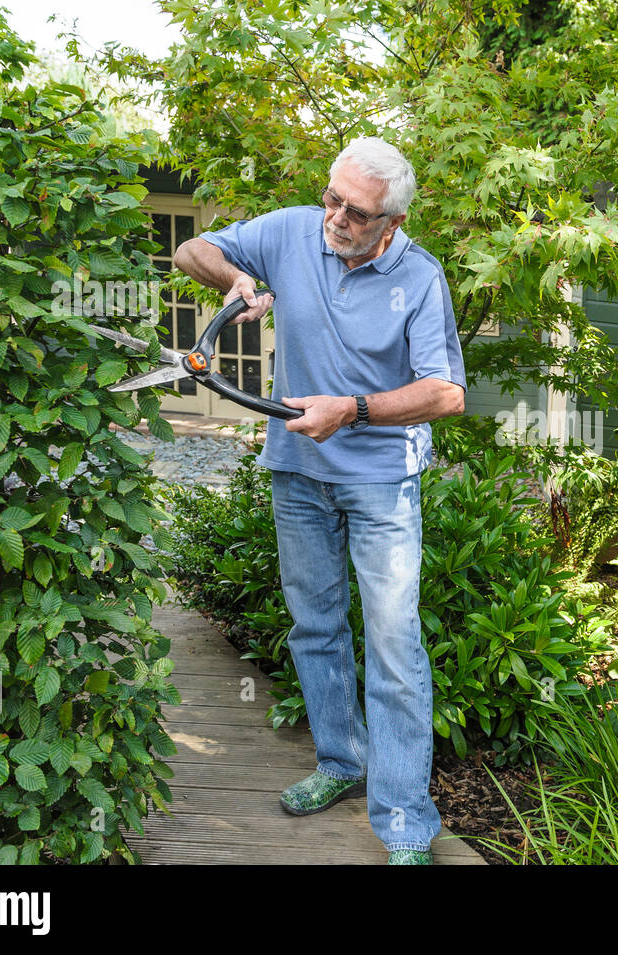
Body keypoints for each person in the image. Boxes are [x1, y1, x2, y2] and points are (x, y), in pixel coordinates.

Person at [172, 137, 466, 865]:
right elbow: (189, 249)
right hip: (297, 467)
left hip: (380, 481)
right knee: (315, 625)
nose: (333, 216)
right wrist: (238, 277)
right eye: (330, 197)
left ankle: (403, 822)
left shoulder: (420, 279)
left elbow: (447, 392)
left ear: (390, 222)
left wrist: (354, 411)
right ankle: (340, 762)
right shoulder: (293, 229)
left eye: (354, 211)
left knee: (394, 646)